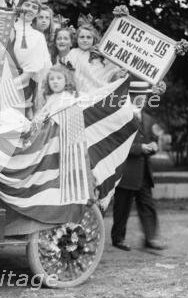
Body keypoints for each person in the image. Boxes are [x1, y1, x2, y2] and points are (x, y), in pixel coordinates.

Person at [111, 81, 166, 251]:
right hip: (126, 171)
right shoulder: (121, 117)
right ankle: (118, 238)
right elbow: (117, 144)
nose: (139, 99)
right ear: (129, 97)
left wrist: (154, 147)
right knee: (122, 207)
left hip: (144, 172)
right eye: (135, 96)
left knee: (147, 205)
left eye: (143, 96)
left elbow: (153, 139)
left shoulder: (148, 118)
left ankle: (151, 238)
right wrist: (139, 148)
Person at [9, 0, 52, 116]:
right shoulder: (6, 27)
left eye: (34, 7)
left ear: (37, 13)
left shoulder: (37, 37)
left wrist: (6, 88)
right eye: (27, 5)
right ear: (20, 6)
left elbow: (30, 73)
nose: (30, 9)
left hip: (20, 89)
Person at [64, 23, 121, 94]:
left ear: (94, 39)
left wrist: (119, 73)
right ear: (77, 38)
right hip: (80, 94)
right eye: (82, 37)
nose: (85, 40)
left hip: (100, 93)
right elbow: (69, 75)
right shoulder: (73, 53)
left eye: (88, 37)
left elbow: (112, 71)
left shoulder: (100, 53)